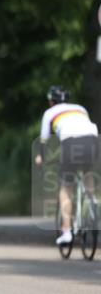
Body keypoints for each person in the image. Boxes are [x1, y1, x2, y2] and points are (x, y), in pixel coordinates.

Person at [34, 85, 98, 245]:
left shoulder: (49, 113)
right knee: (87, 172)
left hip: (71, 144)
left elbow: (44, 140)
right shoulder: (80, 108)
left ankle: (67, 231)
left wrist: (41, 157)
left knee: (65, 188)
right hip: (93, 141)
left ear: (51, 101)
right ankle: (92, 202)